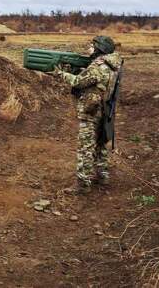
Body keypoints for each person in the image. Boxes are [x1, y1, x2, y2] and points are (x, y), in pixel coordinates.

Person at [53, 36, 123, 194]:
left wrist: (60, 74)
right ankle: (103, 174)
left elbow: (79, 81)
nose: (89, 48)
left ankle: (83, 183)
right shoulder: (114, 65)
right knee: (100, 142)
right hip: (105, 109)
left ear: (100, 49)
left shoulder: (98, 66)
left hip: (91, 110)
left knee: (85, 147)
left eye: (92, 46)